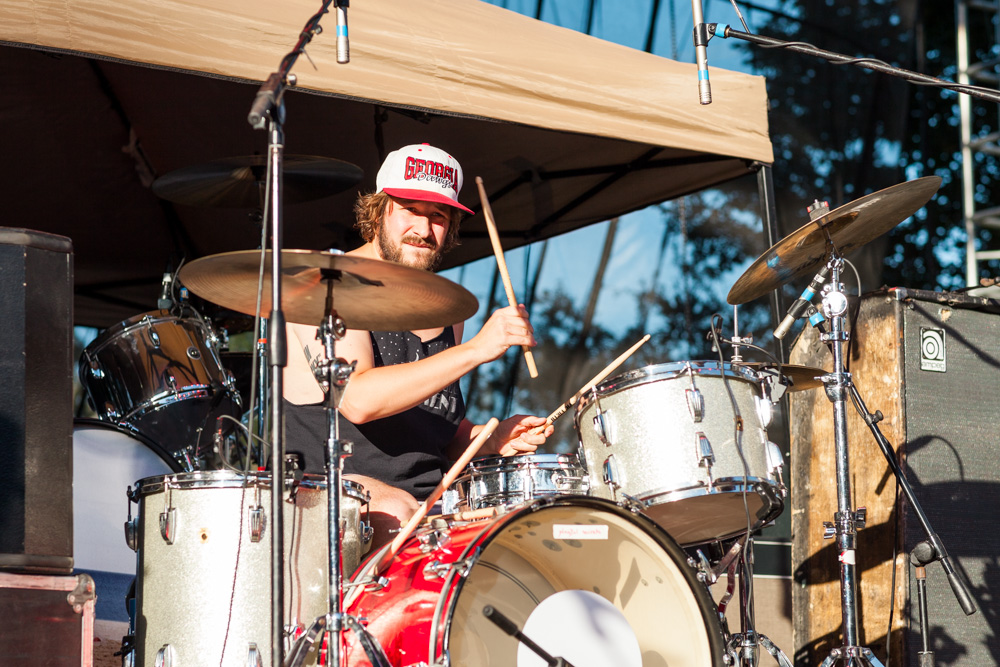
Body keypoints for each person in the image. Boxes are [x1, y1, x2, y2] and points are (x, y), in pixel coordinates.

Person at [283, 143, 553, 549]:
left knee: (533, 527)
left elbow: (430, 430)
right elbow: (357, 398)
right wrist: (477, 350)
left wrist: (489, 438)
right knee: (402, 513)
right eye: (411, 209)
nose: (424, 231)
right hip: (327, 495)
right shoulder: (325, 279)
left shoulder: (447, 310)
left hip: (433, 504)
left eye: (438, 217)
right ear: (378, 211)